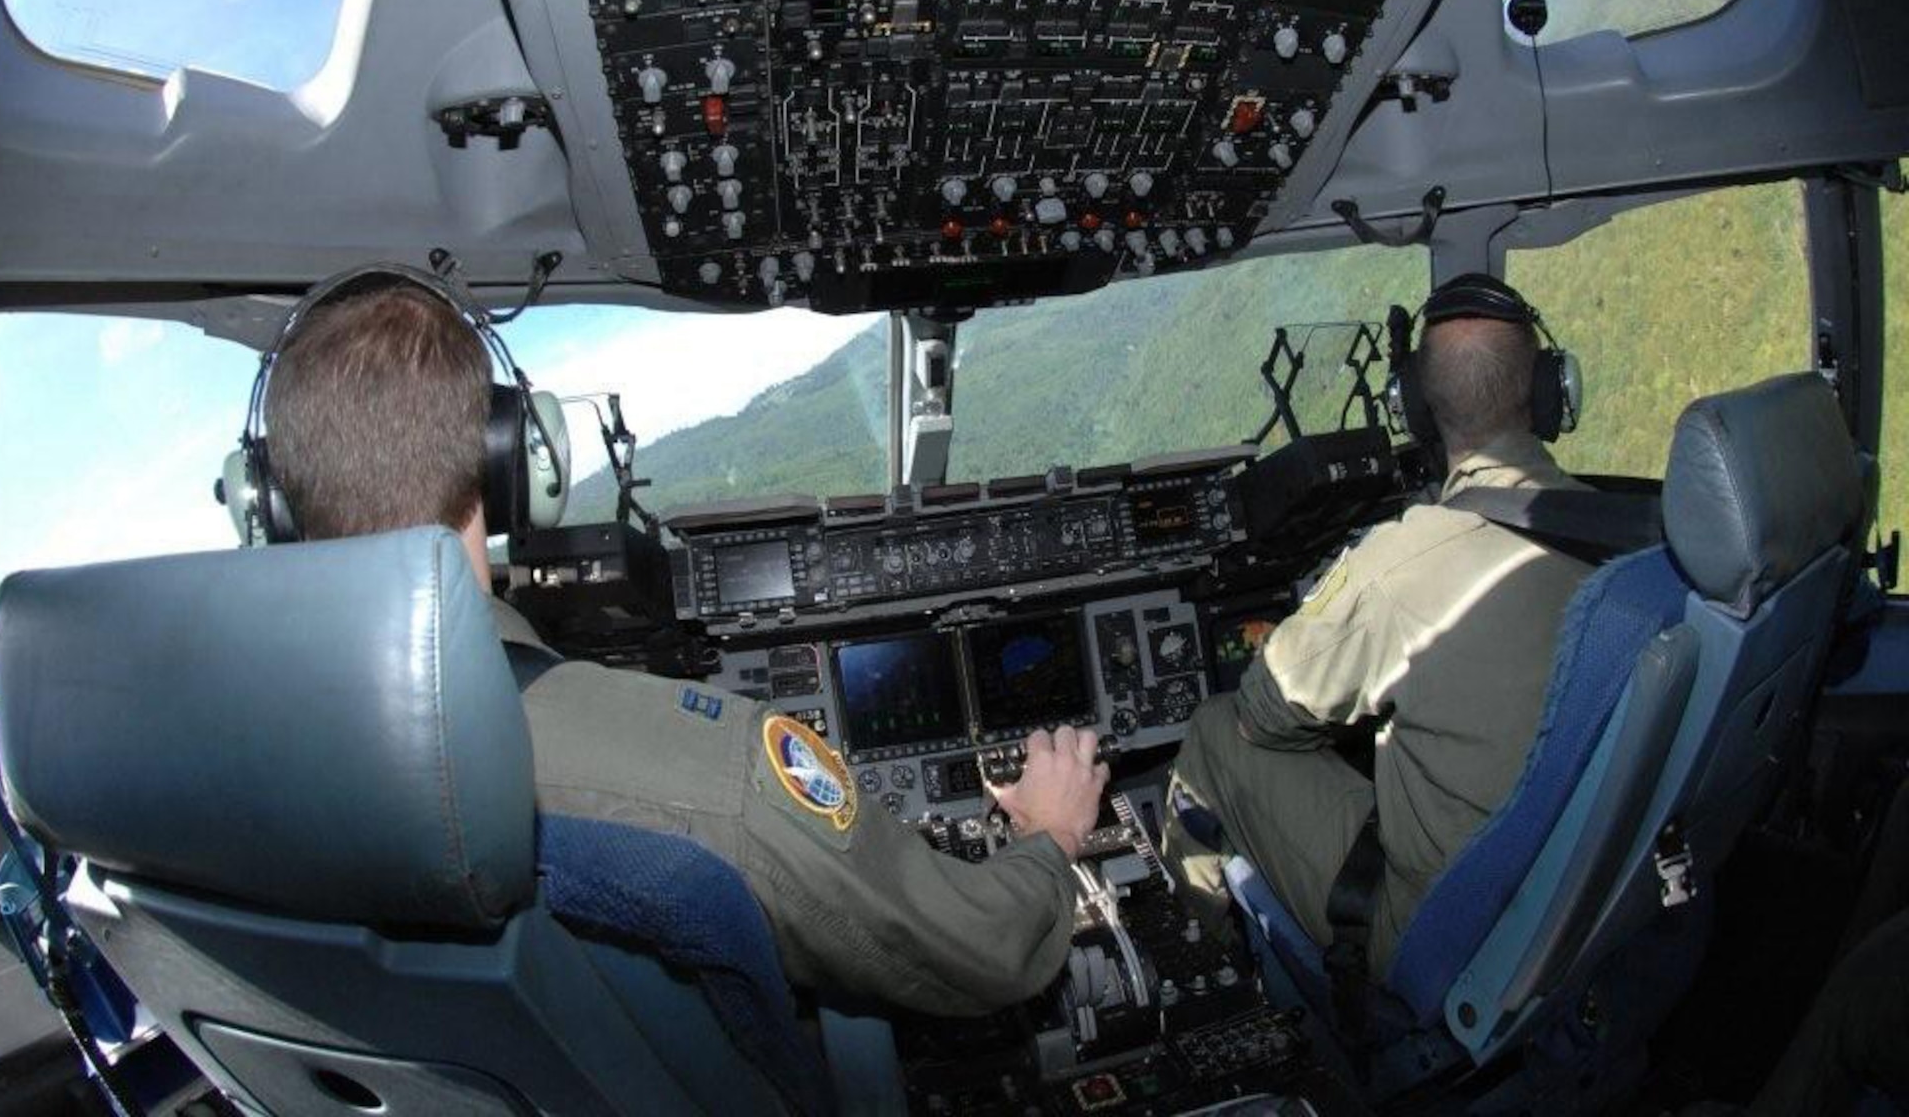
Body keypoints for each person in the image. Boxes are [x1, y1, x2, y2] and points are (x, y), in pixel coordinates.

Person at [261, 275, 1109, 1016]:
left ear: (272, 510)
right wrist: (1051, 835)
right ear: (523, 467)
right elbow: (976, 948)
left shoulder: (240, 781)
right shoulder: (718, 773)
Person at [1160, 274, 1593, 979]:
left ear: (1415, 413)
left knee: (1212, 730)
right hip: (1580, 884)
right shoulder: (1622, 534)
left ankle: (1212, 978)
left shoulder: (1400, 566)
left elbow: (1263, 719)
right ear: (1550, 392)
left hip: (1450, 934)